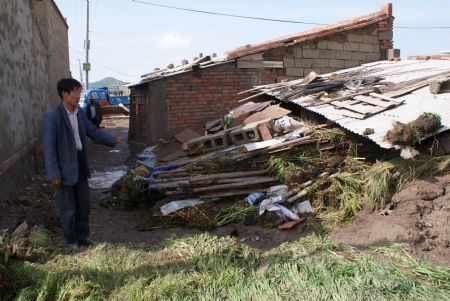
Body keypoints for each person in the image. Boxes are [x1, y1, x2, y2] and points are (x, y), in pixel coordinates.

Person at [42, 78, 124, 249]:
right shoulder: (53, 117)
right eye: (76, 92)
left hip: (80, 163)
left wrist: (113, 140)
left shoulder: (79, 113)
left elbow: (93, 132)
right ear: (65, 94)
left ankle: (83, 237)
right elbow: (49, 148)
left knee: (83, 205)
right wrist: (53, 173)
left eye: (79, 91)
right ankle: (71, 242)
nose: (79, 95)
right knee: (68, 208)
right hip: (64, 167)